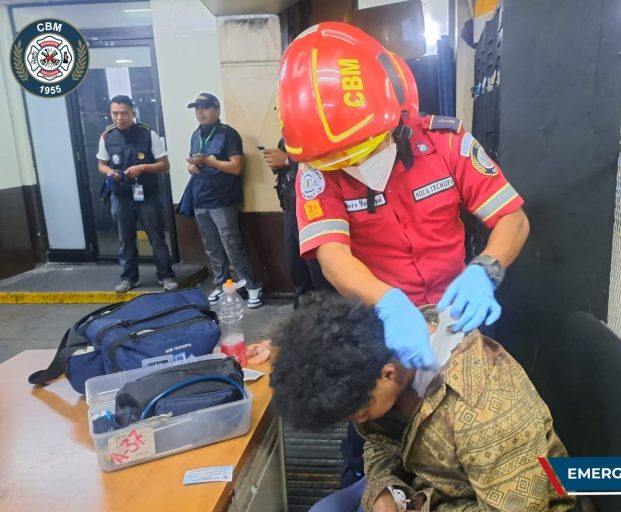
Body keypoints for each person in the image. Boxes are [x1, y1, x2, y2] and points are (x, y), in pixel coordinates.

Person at [277, 22, 530, 371]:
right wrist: (390, 305)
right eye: (340, 160)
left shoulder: (447, 143)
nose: (355, 165)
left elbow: (511, 218)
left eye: (363, 150)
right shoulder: (317, 172)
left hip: (460, 307)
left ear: (398, 117)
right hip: (384, 319)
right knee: (382, 418)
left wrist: (485, 270)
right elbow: (333, 257)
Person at [269, 293, 575, 512]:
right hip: (425, 487)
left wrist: (419, 505)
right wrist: (383, 489)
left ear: (387, 374)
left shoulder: (486, 410)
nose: (359, 421)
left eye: (358, 413)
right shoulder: (376, 362)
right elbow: (379, 442)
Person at [181, 93, 263, 308]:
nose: (200, 112)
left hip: (223, 200)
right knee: (212, 247)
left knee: (232, 245)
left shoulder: (228, 134)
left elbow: (236, 167)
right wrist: (193, 166)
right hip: (201, 198)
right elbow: (194, 166)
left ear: (216, 110)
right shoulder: (195, 135)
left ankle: (253, 286)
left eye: (205, 108)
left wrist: (208, 160)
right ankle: (220, 284)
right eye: (196, 108)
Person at [97, 95, 177, 293]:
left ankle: (166, 276)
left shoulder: (148, 134)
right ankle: (129, 278)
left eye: (124, 113)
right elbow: (102, 164)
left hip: (146, 194)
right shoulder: (107, 136)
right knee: (125, 238)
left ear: (133, 113)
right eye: (115, 113)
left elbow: (164, 164)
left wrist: (143, 167)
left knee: (156, 237)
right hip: (120, 195)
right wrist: (110, 173)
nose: (119, 117)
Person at [263, 140, 330, 308]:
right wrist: (275, 162)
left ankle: (328, 320)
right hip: (291, 212)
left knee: (320, 274)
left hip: (316, 212)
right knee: (297, 270)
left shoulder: (320, 129)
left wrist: (287, 160)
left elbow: (326, 163)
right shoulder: (285, 137)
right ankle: (302, 319)